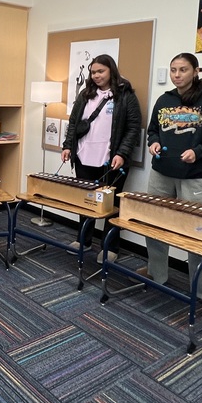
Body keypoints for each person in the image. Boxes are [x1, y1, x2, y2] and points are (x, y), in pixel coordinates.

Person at [143, 52, 202, 324]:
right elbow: (153, 131)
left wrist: (199, 152)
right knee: (154, 225)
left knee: (201, 234)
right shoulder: (164, 100)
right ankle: (156, 271)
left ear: (195, 71)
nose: (177, 74)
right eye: (173, 69)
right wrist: (154, 142)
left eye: (183, 69)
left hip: (193, 177)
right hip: (161, 174)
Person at [61, 54, 141, 261]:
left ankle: (110, 247)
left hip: (111, 160)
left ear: (111, 70)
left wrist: (122, 153)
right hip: (84, 155)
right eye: (93, 72)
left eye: (100, 71)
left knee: (111, 204)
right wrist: (68, 146)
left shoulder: (125, 95)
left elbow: (133, 129)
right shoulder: (85, 93)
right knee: (86, 201)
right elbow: (73, 123)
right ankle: (83, 240)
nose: (96, 76)